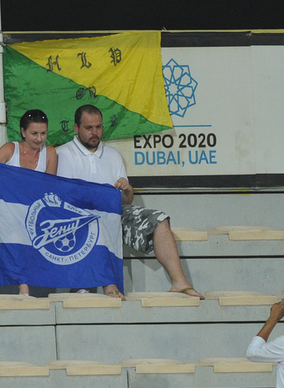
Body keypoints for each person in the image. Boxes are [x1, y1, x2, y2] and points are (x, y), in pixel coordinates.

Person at [56, 104, 203, 300]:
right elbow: (66, 198)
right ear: (76, 128)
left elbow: (126, 201)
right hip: (81, 219)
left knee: (159, 220)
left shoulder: (113, 155)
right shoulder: (64, 154)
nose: (95, 132)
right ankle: (104, 286)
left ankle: (180, 283)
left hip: (115, 214)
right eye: (89, 128)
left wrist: (127, 190)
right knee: (98, 218)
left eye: (98, 127)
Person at [0, 109, 57, 296]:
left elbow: (50, 188)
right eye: (34, 133)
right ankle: (23, 286)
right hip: (6, 214)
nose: (39, 139)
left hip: (34, 214)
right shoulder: (10, 149)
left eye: (43, 133)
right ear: (23, 132)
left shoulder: (50, 153)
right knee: (18, 230)